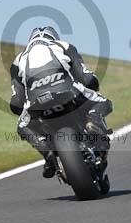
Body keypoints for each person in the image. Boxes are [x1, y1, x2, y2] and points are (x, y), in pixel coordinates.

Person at [9, 26, 113, 178]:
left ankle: (47, 152)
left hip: (37, 104)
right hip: (69, 94)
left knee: (22, 126)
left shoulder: (18, 60)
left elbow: (16, 102)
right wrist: (93, 83)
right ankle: (93, 121)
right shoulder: (64, 46)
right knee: (104, 101)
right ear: (54, 37)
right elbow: (86, 77)